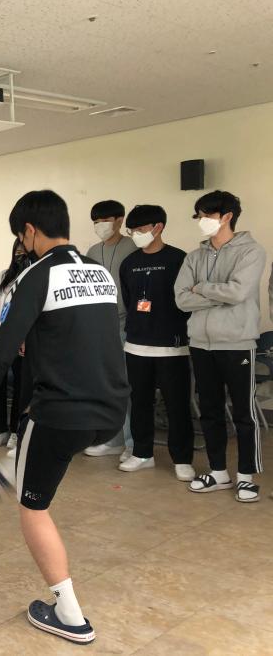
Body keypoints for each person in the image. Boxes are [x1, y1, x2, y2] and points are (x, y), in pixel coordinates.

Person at [0, 190, 129, 644]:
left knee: (33, 507)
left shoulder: (36, 276)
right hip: (110, 410)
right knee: (38, 445)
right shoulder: (99, 273)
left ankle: (69, 615)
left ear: (29, 231)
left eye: (21, 237)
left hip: (61, 413)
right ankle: (17, 461)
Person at [175, 190, 266, 503]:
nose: (202, 221)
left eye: (207, 215)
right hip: (201, 344)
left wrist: (200, 288)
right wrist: (218, 295)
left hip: (238, 343)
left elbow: (239, 292)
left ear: (227, 216)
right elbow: (181, 299)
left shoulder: (251, 251)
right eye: (199, 216)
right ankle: (218, 473)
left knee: (243, 413)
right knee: (210, 411)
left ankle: (246, 477)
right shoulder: (194, 256)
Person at [118, 205, 195, 479]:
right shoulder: (129, 263)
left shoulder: (179, 259)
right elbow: (129, 299)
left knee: (177, 404)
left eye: (140, 229)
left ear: (158, 227)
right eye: (132, 231)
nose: (136, 235)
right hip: (136, 344)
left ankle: (182, 459)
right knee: (139, 402)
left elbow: (186, 302)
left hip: (172, 345)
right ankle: (142, 453)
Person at [84, 199, 137, 460]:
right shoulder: (92, 251)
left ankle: (132, 442)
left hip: (127, 325)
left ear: (119, 220)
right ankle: (111, 439)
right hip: (99, 328)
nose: (100, 226)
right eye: (96, 222)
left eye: (104, 220)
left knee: (125, 386)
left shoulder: (133, 247)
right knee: (104, 387)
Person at [0, 239, 32, 451]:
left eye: (24, 252)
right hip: (0, 338)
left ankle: (15, 431)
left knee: (21, 388)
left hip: (22, 340)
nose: (20, 256)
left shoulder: (36, 276)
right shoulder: (3, 275)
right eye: (17, 252)